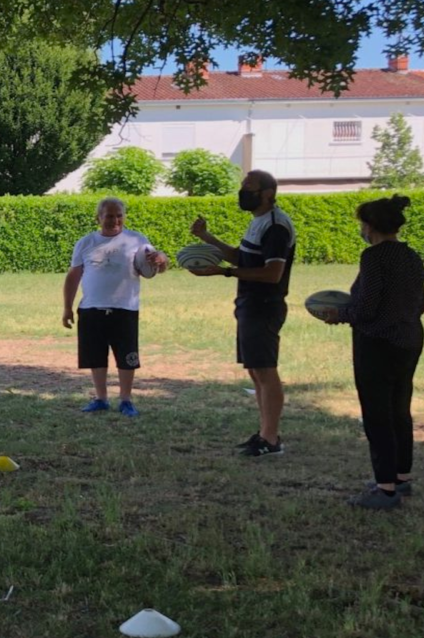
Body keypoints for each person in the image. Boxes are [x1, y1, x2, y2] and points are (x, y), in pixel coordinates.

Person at [319, 196, 423, 509]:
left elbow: (366, 307)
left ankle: (385, 489)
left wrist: (339, 315)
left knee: (377, 415)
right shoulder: (412, 257)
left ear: (370, 225)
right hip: (409, 339)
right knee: (399, 410)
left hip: (377, 343)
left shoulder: (374, 257)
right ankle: (401, 478)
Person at [189, 170, 296, 456]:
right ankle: (265, 434)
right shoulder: (259, 222)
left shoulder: (276, 226)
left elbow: (273, 273)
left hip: (264, 305)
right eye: (242, 186)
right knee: (255, 370)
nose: (242, 192)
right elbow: (241, 257)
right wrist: (206, 237)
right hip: (249, 303)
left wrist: (223, 273)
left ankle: (271, 440)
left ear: (268, 194)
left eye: (249, 187)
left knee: (265, 369)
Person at [62, 197, 169, 417]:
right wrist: (67, 308)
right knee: (96, 356)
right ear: (99, 218)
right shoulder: (85, 242)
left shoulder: (137, 240)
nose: (115, 220)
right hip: (91, 308)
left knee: (127, 357)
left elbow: (157, 266)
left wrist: (161, 259)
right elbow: (73, 276)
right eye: (109, 216)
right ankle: (101, 398)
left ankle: (126, 400)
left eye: (119, 215)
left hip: (125, 309)